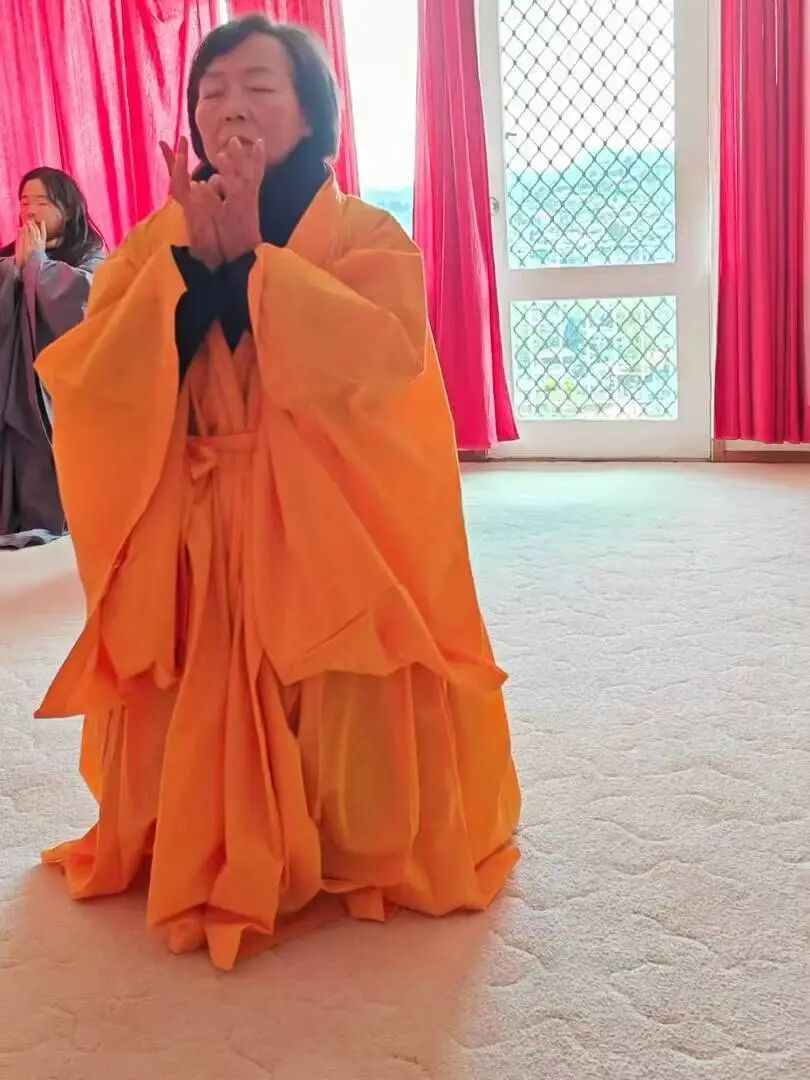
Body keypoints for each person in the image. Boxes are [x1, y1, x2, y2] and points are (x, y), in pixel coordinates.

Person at [35, 16, 520, 970]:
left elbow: (383, 363)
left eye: (259, 86)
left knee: (342, 658)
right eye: (211, 92)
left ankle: (350, 836)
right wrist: (187, 272)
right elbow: (94, 372)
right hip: (198, 516)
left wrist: (259, 262)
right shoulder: (163, 231)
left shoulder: (367, 233)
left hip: (324, 520)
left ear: (311, 112)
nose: (230, 107)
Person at [0, 168, 104, 548]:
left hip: (60, 390)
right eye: (24, 202)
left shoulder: (89, 253)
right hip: (12, 384)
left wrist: (38, 266)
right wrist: (15, 269)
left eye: (41, 201)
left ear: (67, 207)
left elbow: (87, 303)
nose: (30, 210)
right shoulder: (11, 256)